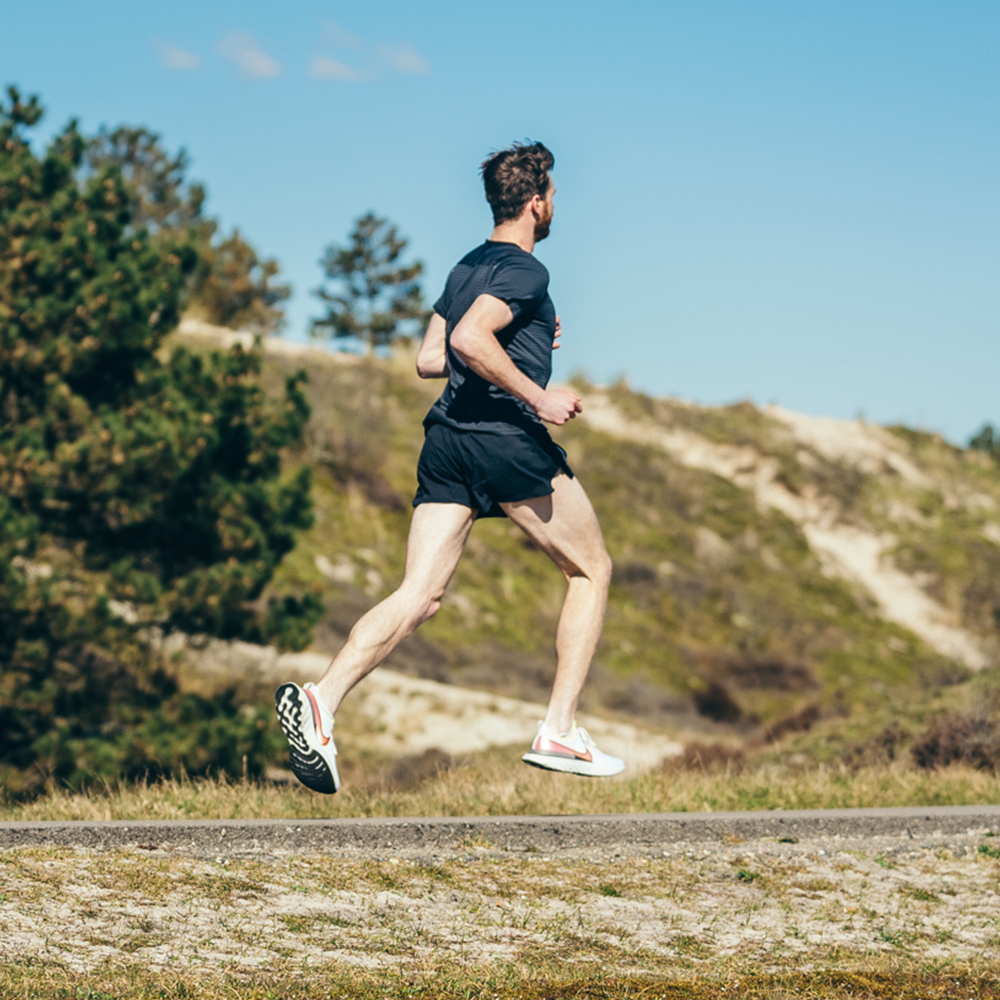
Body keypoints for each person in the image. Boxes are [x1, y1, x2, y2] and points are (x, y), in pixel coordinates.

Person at [275, 141, 623, 794]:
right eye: (554, 195)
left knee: (420, 595)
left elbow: (429, 358)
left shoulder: (467, 267)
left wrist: (511, 343)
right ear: (537, 201)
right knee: (592, 569)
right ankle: (559, 730)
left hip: (448, 440)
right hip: (504, 439)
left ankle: (322, 701)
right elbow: (466, 341)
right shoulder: (525, 271)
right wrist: (538, 392)